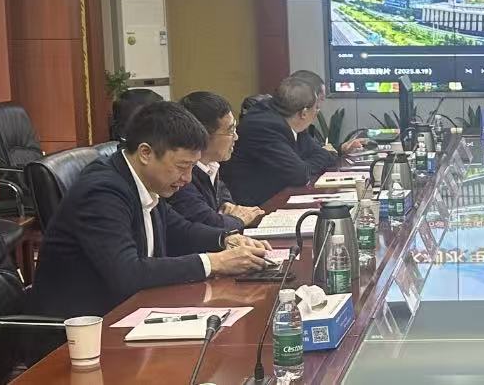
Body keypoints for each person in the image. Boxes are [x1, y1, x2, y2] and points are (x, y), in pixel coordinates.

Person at [28, 102, 272, 318]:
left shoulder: (142, 181)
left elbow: (179, 229)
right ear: (145, 153)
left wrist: (226, 240)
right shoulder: (102, 191)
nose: (187, 178)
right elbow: (127, 273)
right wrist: (214, 262)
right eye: (182, 167)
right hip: (81, 331)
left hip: (130, 312)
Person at [222, 77, 353, 205]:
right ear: (304, 113)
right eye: (316, 108)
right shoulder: (263, 127)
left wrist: (308, 163)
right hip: (253, 205)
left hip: (278, 194)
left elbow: (322, 154)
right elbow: (299, 175)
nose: (317, 112)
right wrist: (308, 163)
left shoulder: (290, 119)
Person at [168, 91, 265, 230]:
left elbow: (226, 203)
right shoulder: (181, 178)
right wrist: (241, 219)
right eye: (230, 130)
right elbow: (212, 224)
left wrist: (227, 209)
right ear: (203, 136)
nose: (236, 137)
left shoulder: (211, 166)